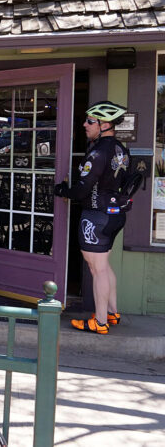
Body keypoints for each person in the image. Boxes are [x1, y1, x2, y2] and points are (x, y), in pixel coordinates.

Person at [54, 101, 131, 334]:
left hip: (96, 217)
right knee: (104, 266)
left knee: (97, 270)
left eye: (90, 121)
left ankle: (100, 321)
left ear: (104, 124)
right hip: (114, 215)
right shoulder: (121, 149)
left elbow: (82, 190)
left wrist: (62, 190)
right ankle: (112, 313)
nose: (84, 124)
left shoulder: (97, 153)